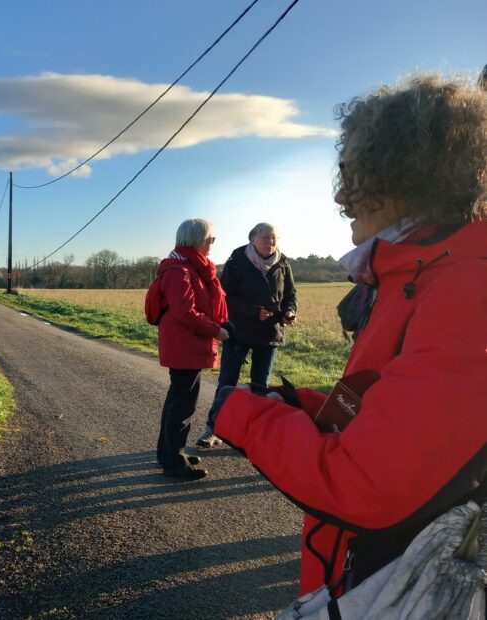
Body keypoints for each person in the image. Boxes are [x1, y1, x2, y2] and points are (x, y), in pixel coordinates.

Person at [212, 75, 487, 597]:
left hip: (396, 585)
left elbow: (368, 483)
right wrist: (305, 406)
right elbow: (380, 401)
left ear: (412, 172)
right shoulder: (415, 276)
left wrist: (244, 416)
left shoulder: (467, 287)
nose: (341, 193)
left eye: (356, 173)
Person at [197, 223, 297, 448]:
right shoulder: (237, 260)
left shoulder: (283, 262)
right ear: (252, 239)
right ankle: (213, 429)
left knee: (260, 386)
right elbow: (226, 296)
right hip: (239, 331)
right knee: (227, 383)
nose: (270, 242)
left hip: (270, 333)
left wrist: (290, 312)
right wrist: (253, 312)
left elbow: (291, 293)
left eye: (274, 238)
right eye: (265, 237)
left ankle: (251, 434)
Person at [154, 218, 230, 481]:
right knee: (183, 403)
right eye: (210, 238)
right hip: (184, 343)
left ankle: (168, 453)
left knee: (178, 399)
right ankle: (174, 461)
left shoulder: (188, 267)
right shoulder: (180, 271)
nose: (212, 243)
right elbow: (185, 313)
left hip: (187, 343)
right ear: (197, 240)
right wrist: (215, 330)